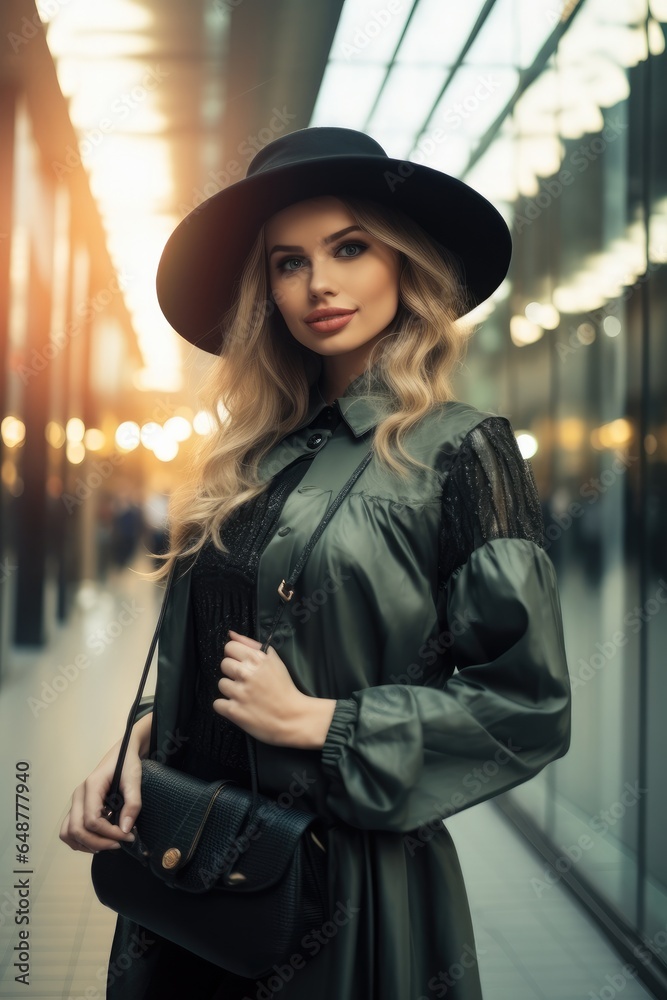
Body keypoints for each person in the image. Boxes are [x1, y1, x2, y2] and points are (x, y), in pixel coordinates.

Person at [60, 127, 571, 1000]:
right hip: (188, 859)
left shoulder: (460, 453)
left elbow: (525, 705)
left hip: (337, 885)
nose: (318, 284)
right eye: (287, 262)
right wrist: (140, 741)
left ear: (402, 264)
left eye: (348, 248)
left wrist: (322, 724)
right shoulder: (246, 459)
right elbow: (214, 645)